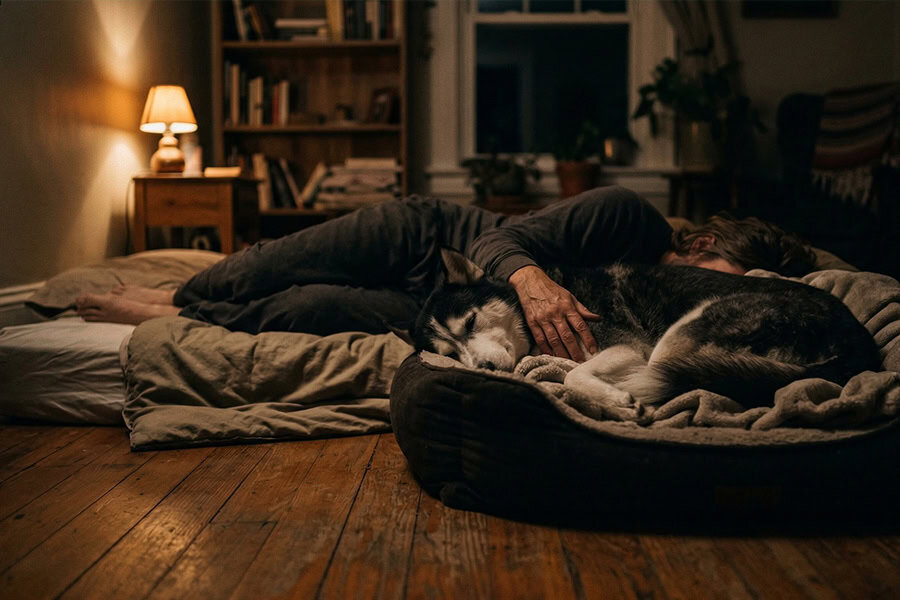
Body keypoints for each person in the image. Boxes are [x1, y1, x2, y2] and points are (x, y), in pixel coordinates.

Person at [75, 186, 816, 362]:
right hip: (430, 239)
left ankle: (177, 316)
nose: (732, 286)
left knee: (307, 305)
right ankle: (176, 293)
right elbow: (506, 234)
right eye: (733, 270)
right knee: (261, 267)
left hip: (442, 300)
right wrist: (532, 280)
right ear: (708, 241)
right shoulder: (628, 218)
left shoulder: (664, 301)